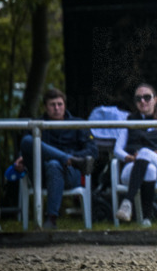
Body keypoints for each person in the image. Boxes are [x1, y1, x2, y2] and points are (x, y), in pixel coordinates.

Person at [13, 89, 96, 229]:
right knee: (28, 140)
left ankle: (51, 219)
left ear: (65, 105)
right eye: (52, 105)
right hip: (40, 175)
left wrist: (71, 156)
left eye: (60, 104)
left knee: (53, 164)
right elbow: (25, 148)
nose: (56, 108)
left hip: (70, 173)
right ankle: (67, 158)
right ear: (45, 106)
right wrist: (19, 159)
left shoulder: (78, 123)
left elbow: (92, 151)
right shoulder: (36, 124)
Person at [113, 83, 157, 225]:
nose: (142, 101)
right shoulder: (129, 120)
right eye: (138, 98)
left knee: (145, 152)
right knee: (148, 169)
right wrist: (128, 157)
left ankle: (128, 201)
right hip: (132, 167)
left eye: (147, 97)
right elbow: (117, 149)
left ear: (155, 99)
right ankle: (146, 218)